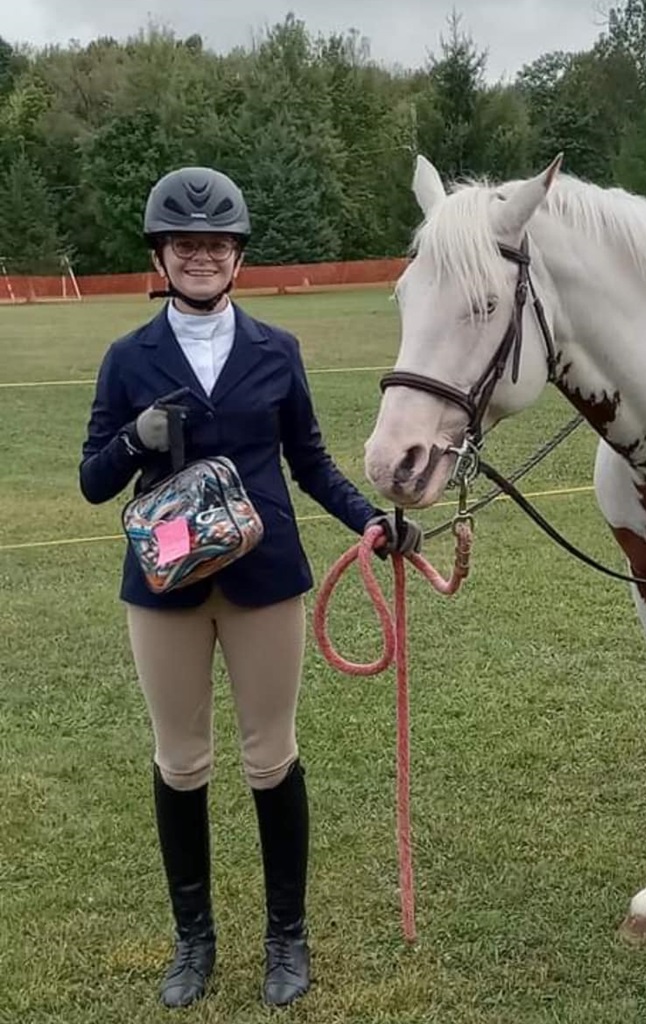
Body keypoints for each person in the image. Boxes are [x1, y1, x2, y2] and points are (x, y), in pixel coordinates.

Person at [79, 166, 421, 1009]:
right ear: (162, 253)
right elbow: (92, 480)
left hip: (265, 580)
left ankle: (286, 938)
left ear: (238, 256)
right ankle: (193, 942)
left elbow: (308, 461)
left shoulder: (277, 350)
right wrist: (134, 439)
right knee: (182, 761)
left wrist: (368, 523)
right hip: (165, 586)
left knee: (271, 758)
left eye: (217, 245)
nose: (202, 257)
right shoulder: (128, 357)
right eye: (186, 245)